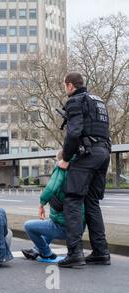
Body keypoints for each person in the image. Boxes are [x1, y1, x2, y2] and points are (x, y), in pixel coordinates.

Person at [57, 72, 112, 268]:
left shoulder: (75, 101)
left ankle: (75, 253)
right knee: (92, 202)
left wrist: (65, 158)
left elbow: (74, 133)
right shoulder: (98, 101)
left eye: (65, 85)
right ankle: (101, 252)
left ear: (70, 85)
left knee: (72, 200)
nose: (65, 89)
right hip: (104, 152)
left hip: (87, 155)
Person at [22, 150, 85, 261]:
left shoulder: (62, 168)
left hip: (64, 227)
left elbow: (51, 188)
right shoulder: (79, 171)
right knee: (50, 223)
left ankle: (46, 252)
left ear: (59, 160)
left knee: (28, 226)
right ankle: (36, 250)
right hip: (78, 226)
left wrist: (41, 204)